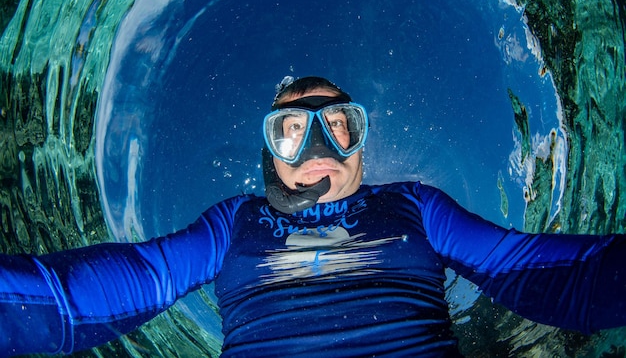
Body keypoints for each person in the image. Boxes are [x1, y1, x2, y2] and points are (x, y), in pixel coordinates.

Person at [1, 76, 625, 357]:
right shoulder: (232, 224)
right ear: (271, 156)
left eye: (337, 127)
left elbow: (541, 272)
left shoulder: (414, 206)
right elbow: (113, 285)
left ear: (362, 140)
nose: (317, 151)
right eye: (293, 131)